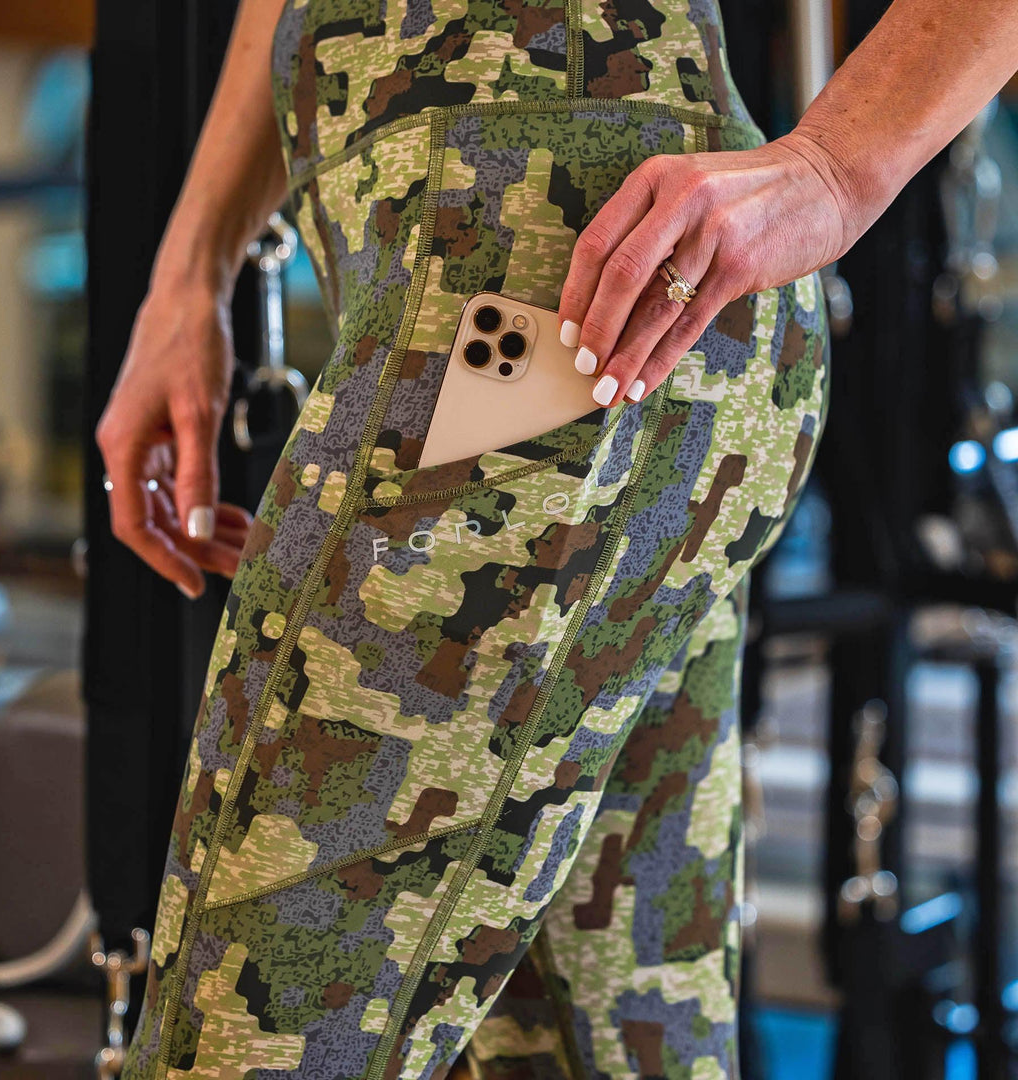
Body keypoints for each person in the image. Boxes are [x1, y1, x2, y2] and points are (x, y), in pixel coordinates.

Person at [97, 1, 1018, 1077]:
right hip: (577, 308)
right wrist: (191, 274)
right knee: (606, 1038)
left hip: (554, 299)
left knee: (244, 1029)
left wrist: (834, 170)